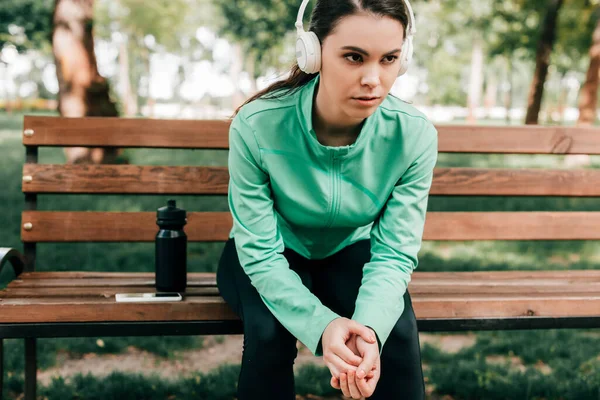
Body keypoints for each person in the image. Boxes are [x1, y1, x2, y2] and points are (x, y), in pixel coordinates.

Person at [216, 0, 438, 398]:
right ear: (313, 53)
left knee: (395, 332)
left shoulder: (414, 136)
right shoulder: (257, 126)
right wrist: (322, 326)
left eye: (389, 59)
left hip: (348, 250)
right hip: (269, 253)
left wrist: (367, 329)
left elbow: (394, 253)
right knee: (269, 333)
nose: (374, 78)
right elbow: (261, 255)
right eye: (354, 57)